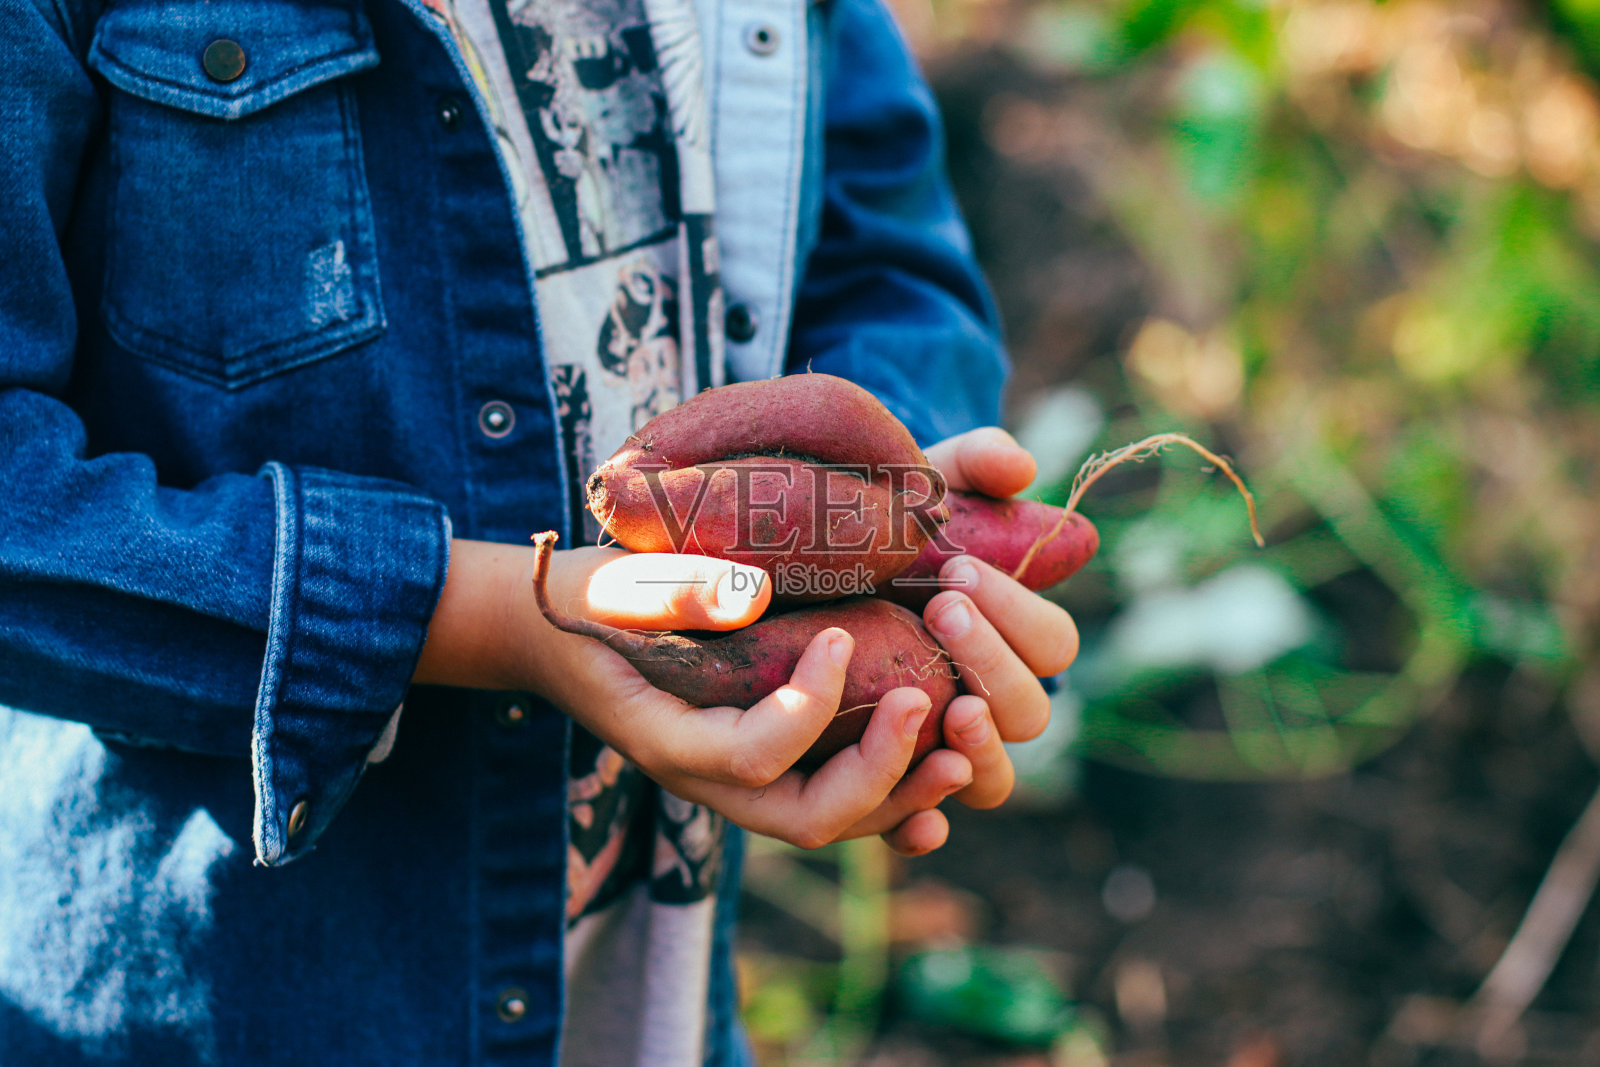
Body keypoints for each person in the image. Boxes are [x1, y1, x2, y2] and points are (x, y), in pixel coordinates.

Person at [0, 0, 1078, 1062]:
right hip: (231, 985)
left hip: (643, 977)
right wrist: (498, 616)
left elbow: (883, 251)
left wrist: (885, 546)